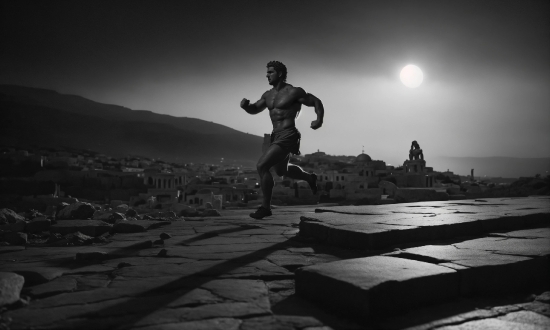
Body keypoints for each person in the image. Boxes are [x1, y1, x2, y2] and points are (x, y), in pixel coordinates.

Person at [240, 61, 325, 219]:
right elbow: (255, 109)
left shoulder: (293, 92)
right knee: (281, 171)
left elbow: (315, 101)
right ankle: (309, 177)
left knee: (262, 166)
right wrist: (246, 107)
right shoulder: (268, 95)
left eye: (270, 72)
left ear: (279, 74)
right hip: (276, 135)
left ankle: (265, 207)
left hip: (289, 134)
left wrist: (319, 120)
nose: (267, 75)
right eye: (267, 72)